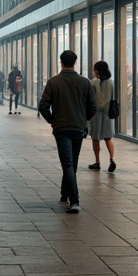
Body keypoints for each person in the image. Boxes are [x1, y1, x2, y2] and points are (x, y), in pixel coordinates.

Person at [39, 50, 97, 211]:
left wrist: (52, 120)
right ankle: (65, 193)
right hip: (78, 127)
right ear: (75, 62)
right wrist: (83, 118)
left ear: (61, 62)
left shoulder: (53, 82)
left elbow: (43, 106)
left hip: (62, 128)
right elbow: (93, 106)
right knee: (72, 162)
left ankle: (74, 200)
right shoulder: (85, 82)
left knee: (67, 163)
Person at [88, 60, 117, 172]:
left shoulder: (94, 82)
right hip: (107, 114)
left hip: (97, 114)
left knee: (95, 138)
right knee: (108, 137)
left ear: (97, 71)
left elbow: (90, 96)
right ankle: (111, 159)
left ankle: (97, 161)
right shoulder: (110, 83)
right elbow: (109, 99)